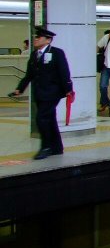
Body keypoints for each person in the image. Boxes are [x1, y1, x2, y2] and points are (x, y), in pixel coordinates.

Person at [12, 27, 73, 160]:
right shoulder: (34, 55)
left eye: (39, 37)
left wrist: (68, 89)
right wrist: (20, 88)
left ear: (48, 40)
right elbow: (29, 75)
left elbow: (64, 72)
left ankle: (46, 147)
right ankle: (57, 147)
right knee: (49, 119)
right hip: (40, 93)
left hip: (52, 93)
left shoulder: (57, 53)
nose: (35, 39)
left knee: (42, 118)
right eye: (35, 37)